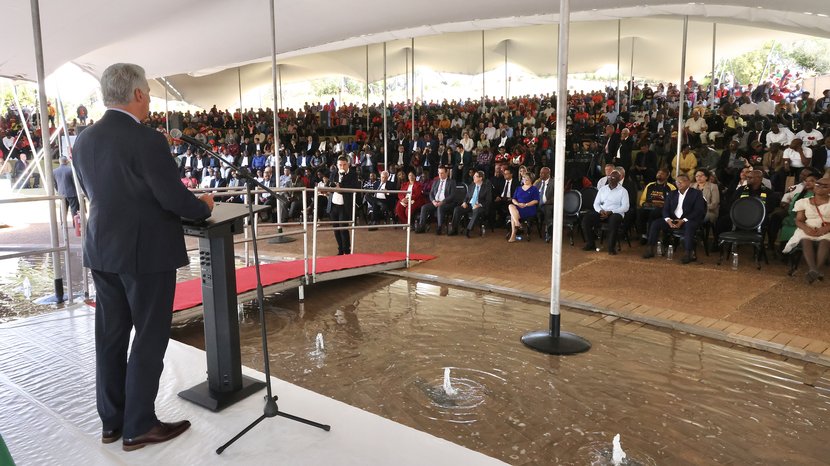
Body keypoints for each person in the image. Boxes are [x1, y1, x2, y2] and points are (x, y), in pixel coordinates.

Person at [72, 63, 214, 451]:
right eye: (148, 93)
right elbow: (171, 197)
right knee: (149, 338)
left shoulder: (84, 139)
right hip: (145, 254)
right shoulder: (147, 140)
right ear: (136, 94)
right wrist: (202, 205)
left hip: (102, 249)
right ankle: (139, 426)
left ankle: (112, 423)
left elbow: (90, 190)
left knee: (111, 337)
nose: (149, 99)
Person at [642, 173, 707, 264]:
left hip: (688, 220)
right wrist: (668, 220)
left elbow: (698, 211)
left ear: (688, 182)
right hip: (673, 220)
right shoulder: (672, 194)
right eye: (677, 182)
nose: (678, 184)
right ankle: (650, 248)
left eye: (681, 182)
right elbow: (665, 209)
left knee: (689, 227)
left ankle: (688, 253)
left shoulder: (696, 194)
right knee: (656, 223)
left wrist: (683, 220)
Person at [782, 177, 830, 283]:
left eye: (825, 186)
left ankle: (815, 269)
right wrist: (806, 228)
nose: (820, 187)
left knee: (825, 241)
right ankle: (814, 269)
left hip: (827, 229)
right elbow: (799, 220)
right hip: (807, 227)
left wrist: (826, 228)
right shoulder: (803, 202)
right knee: (805, 239)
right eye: (818, 184)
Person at [581, 170, 629, 255]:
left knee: (614, 221)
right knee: (586, 219)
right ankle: (590, 244)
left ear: (618, 179)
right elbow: (596, 203)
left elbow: (625, 207)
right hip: (602, 212)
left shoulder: (623, 191)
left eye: (613, 178)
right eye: (610, 177)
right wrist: (600, 211)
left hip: (615, 213)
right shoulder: (602, 189)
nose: (611, 179)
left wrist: (611, 212)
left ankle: (611, 248)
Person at [330, 156, 360, 254]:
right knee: (336, 229)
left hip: (345, 205)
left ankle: (346, 250)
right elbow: (330, 184)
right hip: (334, 204)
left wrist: (340, 188)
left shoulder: (353, 174)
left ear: (348, 165)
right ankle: (340, 249)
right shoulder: (334, 173)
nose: (342, 167)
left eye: (344, 165)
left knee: (343, 228)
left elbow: (354, 187)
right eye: (340, 165)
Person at [415, 166, 456, 235]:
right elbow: (431, 193)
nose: (440, 175)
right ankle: (422, 226)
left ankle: (439, 227)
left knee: (440, 207)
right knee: (424, 207)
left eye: (442, 173)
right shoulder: (436, 182)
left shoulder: (452, 182)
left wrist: (442, 202)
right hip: (435, 202)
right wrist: (433, 201)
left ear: (447, 173)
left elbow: (452, 195)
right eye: (439, 173)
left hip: (446, 203)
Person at [450, 170, 492, 237]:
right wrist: (464, 202)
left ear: (480, 178)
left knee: (477, 210)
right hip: (470, 205)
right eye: (474, 176)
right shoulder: (472, 185)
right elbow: (467, 196)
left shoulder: (486, 187)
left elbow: (488, 200)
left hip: (480, 206)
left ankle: (468, 229)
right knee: (457, 209)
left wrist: (479, 205)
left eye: (475, 176)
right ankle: (454, 230)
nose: (473, 177)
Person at [507, 172, 540, 242]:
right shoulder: (518, 188)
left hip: (528, 208)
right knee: (510, 206)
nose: (524, 180)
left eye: (526, 179)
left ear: (531, 180)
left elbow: (536, 200)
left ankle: (513, 235)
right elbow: (513, 199)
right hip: (518, 207)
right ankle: (517, 223)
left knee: (513, 216)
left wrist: (526, 204)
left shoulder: (534, 189)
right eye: (523, 178)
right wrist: (518, 204)